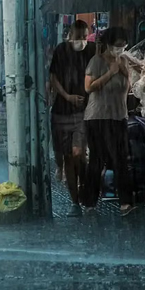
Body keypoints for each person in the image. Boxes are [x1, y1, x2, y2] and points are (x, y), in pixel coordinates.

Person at [84, 27, 135, 216]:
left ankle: (126, 203)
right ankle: (89, 202)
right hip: (98, 117)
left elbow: (125, 88)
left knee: (121, 158)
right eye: (117, 45)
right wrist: (110, 73)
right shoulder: (96, 61)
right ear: (109, 44)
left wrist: (124, 72)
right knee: (97, 160)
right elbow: (89, 87)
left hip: (119, 115)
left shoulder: (123, 61)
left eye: (123, 45)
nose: (120, 49)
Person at [49, 20, 96, 217]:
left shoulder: (93, 50)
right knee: (68, 156)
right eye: (78, 37)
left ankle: (85, 189)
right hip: (62, 110)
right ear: (70, 36)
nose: (81, 41)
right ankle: (74, 201)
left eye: (84, 37)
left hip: (83, 111)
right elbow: (53, 78)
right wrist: (67, 96)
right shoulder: (61, 50)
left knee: (79, 153)